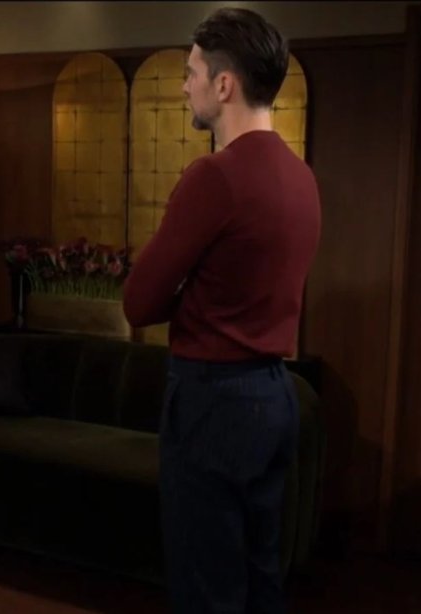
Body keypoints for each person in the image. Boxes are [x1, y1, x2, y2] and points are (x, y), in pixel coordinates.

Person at [122, 8, 321, 614]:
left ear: (225, 84)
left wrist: (187, 295)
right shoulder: (301, 176)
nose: (185, 86)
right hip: (275, 393)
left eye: (192, 73)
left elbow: (138, 302)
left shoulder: (214, 177)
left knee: (206, 586)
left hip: (214, 400)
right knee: (260, 577)